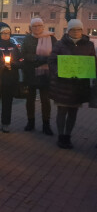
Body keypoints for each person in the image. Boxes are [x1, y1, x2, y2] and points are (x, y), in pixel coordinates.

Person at [48, 19, 96, 149]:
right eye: (73, 29)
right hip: (63, 84)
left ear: (82, 30)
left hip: (78, 86)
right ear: (68, 30)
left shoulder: (89, 45)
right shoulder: (59, 44)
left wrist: (88, 71)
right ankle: (61, 136)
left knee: (73, 112)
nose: (76, 32)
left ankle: (68, 136)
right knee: (62, 111)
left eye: (78, 29)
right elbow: (52, 61)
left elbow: (92, 63)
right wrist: (58, 70)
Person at [21, 18, 57, 135]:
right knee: (30, 99)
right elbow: (24, 54)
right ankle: (30, 122)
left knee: (45, 100)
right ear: (31, 27)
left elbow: (56, 53)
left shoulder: (51, 38)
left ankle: (46, 124)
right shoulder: (27, 39)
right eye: (34, 26)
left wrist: (48, 59)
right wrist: (36, 58)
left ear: (43, 26)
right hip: (30, 73)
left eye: (39, 25)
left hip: (46, 74)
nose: (37, 28)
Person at [0, 22, 22, 133]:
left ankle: (5, 123)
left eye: (8, 33)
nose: (6, 35)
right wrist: (2, 65)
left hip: (10, 79)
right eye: (3, 33)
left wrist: (12, 65)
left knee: (7, 103)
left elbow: (21, 61)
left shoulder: (14, 47)